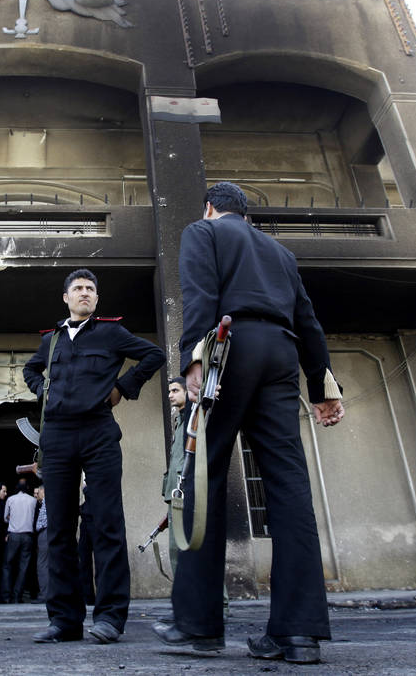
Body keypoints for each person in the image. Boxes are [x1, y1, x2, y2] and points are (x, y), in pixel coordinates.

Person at [153, 182, 344, 665]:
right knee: (290, 487)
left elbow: (199, 293)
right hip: (280, 355)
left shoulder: (203, 232)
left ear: (211, 207)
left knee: (203, 476)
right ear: (246, 213)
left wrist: (192, 358)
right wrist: (321, 388)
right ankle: (298, 634)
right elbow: (309, 320)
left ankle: (198, 627)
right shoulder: (280, 252)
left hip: (228, 348)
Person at [23, 268, 166, 644]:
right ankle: (64, 620)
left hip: (99, 433)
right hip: (56, 437)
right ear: (66, 298)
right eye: (78, 289)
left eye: (90, 289)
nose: (84, 293)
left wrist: (123, 387)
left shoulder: (111, 332)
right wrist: (43, 392)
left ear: (97, 300)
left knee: (105, 524)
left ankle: (110, 617)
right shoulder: (51, 339)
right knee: (58, 530)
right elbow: (30, 369)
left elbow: (153, 355)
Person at [162, 376, 193, 575]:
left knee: (190, 549)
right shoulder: (180, 423)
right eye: (169, 391)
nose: (170, 395)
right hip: (176, 497)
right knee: (178, 551)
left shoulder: (193, 420)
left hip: (187, 493)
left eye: (175, 391)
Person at [1, 479, 36, 604]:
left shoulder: (10, 499)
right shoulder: (33, 500)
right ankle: (17, 596)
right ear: (27, 488)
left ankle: (6, 596)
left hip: (14, 535)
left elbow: (5, 518)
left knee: (7, 565)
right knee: (23, 567)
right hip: (27, 536)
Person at [33, 484, 48, 604]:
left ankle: (44, 594)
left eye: (39, 492)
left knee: (42, 564)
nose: (37, 495)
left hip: (45, 532)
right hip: (48, 533)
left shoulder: (46, 502)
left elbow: (43, 521)